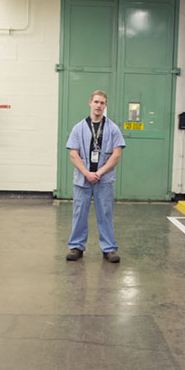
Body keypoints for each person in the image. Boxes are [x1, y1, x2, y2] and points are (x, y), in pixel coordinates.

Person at [65, 90, 126, 263]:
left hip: (104, 180)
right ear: (90, 103)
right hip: (82, 180)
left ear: (105, 105)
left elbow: (116, 155)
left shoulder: (113, 128)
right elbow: (73, 154)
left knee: (105, 213)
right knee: (79, 213)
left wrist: (98, 173)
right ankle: (76, 247)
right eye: (96, 102)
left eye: (102, 103)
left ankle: (109, 249)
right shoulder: (78, 128)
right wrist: (87, 173)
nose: (99, 105)